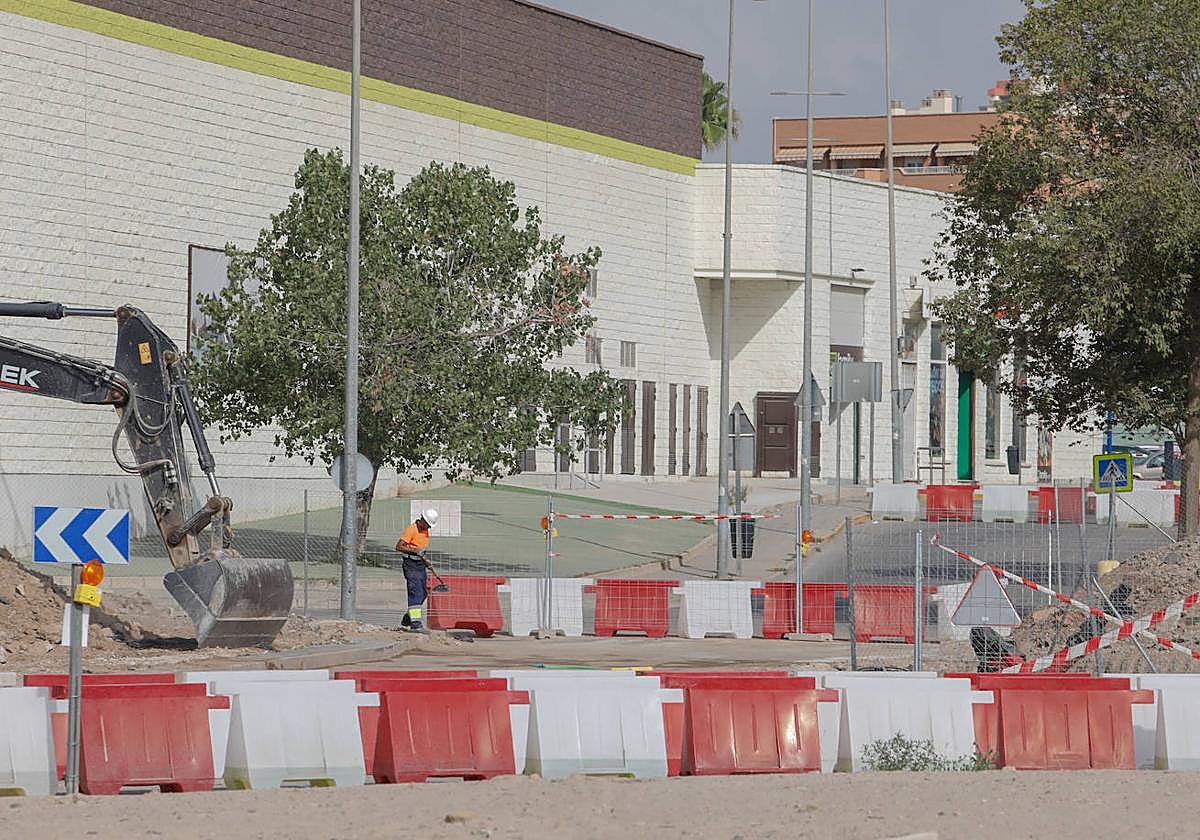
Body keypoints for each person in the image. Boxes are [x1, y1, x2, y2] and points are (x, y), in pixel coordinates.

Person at [395, 508, 439, 630]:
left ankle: (408, 618)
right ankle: (415, 624)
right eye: (428, 524)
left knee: (423, 593)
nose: (429, 528)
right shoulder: (411, 529)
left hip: (420, 565)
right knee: (415, 593)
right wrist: (415, 551)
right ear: (423, 520)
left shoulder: (425, 532)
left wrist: (426, 560)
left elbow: (422, 549)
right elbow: (399, 546)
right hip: (410, 565)